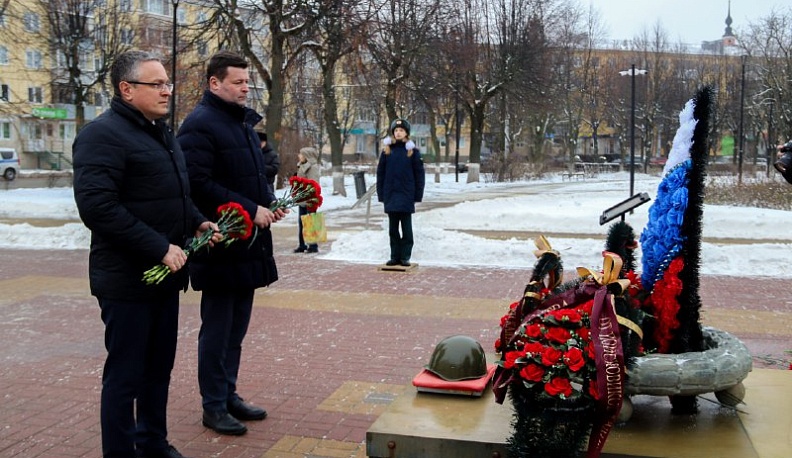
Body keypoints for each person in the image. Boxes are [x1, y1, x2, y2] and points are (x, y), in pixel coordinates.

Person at [73, 50, 220, 458]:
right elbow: (98, 208)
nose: (166, 91)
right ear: (126, 89)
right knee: (126, 376)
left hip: (165, 277)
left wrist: (196, 221)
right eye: (156, 84)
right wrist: (158, 247)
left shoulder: (159, 132)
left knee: (158, 370)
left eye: (167, 83)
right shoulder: (100, 136)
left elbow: (171, 194)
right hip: (126, 279)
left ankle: (153, 443)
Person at [177, 50, 286, 436]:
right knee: (218, 330)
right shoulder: (199, 125)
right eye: (238, 82)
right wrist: (248, 207)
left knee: (236, 329)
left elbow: (252, 175)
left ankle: (228, 395)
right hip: (220, 242)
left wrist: (268, 203)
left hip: (247, 243)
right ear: (215, 83)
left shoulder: (239, 123)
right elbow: (197, 184)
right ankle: (212, 405)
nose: (245, 88)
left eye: (247, 81)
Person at [376, 118, 425, 266]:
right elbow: (381, 174)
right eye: (396, 130)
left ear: (406, 133)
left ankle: (405, 256)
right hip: (391, 194)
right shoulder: (386, 152)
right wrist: (381, 194)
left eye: (401, 130)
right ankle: (394, 256)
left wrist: (417, 194)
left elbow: (419, 175)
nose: (398, 133)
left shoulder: (412, 152)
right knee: (393, 229)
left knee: (406, 228)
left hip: (406, 195)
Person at [294, 146, 321, 253]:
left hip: (310, 199)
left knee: (311, 222)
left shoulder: (313, 167)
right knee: (301, 222)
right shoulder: (301, 166)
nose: (299, 156)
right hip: (302, 198)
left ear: (307, 156)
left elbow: (313, 184)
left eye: (301, 154)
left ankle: (313, 246)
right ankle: (302, 244)